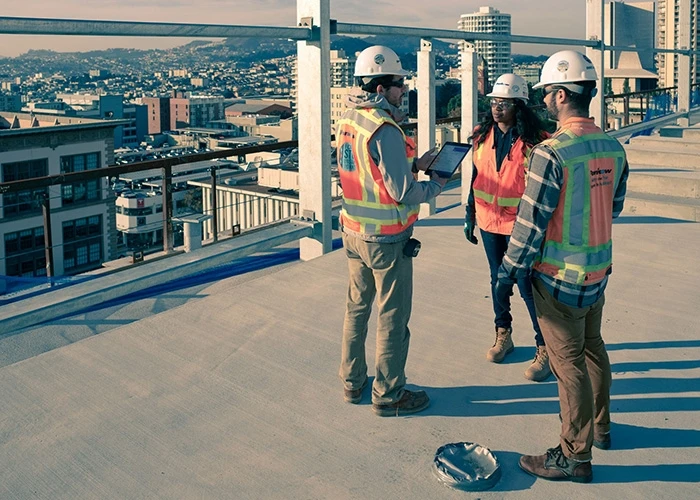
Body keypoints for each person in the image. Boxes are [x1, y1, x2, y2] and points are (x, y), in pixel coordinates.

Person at [496, 50, 629, 482]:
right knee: (594, 350)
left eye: (546, 94)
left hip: (557, 279)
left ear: (559, 94)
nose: (543, 102)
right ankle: (602, 428)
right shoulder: (612, 146)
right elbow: (617, 205)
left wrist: (507, 273)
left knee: (567, 363)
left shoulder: (551, 153)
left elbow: (529, 223)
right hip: (598, 271)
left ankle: (575, 454)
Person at [336, 45, 447, 417]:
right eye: (400, 84)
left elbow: (369, 170)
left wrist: (415, 162)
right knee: (392, 318)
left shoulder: (350, 119)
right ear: (382, 89)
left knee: (357, 309)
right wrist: (438, 181)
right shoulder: (385, 127)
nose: (404, 90)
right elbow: (404, 192)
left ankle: (352, 382)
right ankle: (389, 393)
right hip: (385, 239)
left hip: (353, 231)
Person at [464, 73, 551, 381]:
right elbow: (476, 176)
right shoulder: (480, 134)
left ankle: (545, 347)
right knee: (497, 282)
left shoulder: (536, 140)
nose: (497, 108)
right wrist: (469, 213)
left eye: (504, 103)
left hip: (521, 225)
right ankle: (504, 334)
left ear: (519, 105)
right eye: (494, 102)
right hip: (489, 222)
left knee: (527, 284)